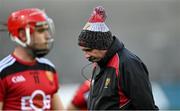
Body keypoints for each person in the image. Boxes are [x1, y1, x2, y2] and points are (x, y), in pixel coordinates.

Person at [78, 6, 158, 110]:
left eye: (88, 50)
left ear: (102, 45)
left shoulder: (128, 64)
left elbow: (147, 108)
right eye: (84, 51)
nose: (86, 55)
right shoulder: (99, 63)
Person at [0, 8, 64, 110]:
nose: (47, 36)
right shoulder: (3, 72)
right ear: (23, 35)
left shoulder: (48, 68)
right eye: (41, 31)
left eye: (47, 30)